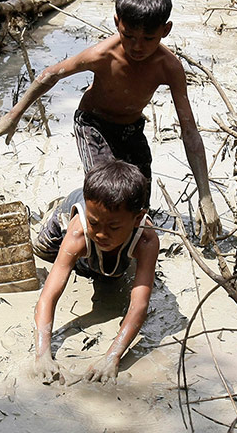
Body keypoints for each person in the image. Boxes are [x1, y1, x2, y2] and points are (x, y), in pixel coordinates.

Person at [0, 0, 221, 244]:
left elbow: (189, 131)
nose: (137, 47)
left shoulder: (169, 67)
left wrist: (205, 196)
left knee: (136, 206)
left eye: (148, 38)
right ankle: (58, 225)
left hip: (131, 129)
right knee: (109, 198)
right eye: (129, 35)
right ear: (116, 22)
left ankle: (128, 259)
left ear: (165, 30)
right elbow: (50, 75)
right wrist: (13, 116)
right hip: (93, 125)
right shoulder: (103, 54)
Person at [31, 160, 158, 384]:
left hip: (111, 231)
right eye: (95, 224)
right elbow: (48, 296)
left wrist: (112, 357)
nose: (101, 234)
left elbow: (139, 305)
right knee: (44, 250)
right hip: (64, 224)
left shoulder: (146, 238)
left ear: (138, 219)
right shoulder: (79, 232)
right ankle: (59, 214)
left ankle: (105, 251)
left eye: (113, 227)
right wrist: (42, 354)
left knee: (112, 273)